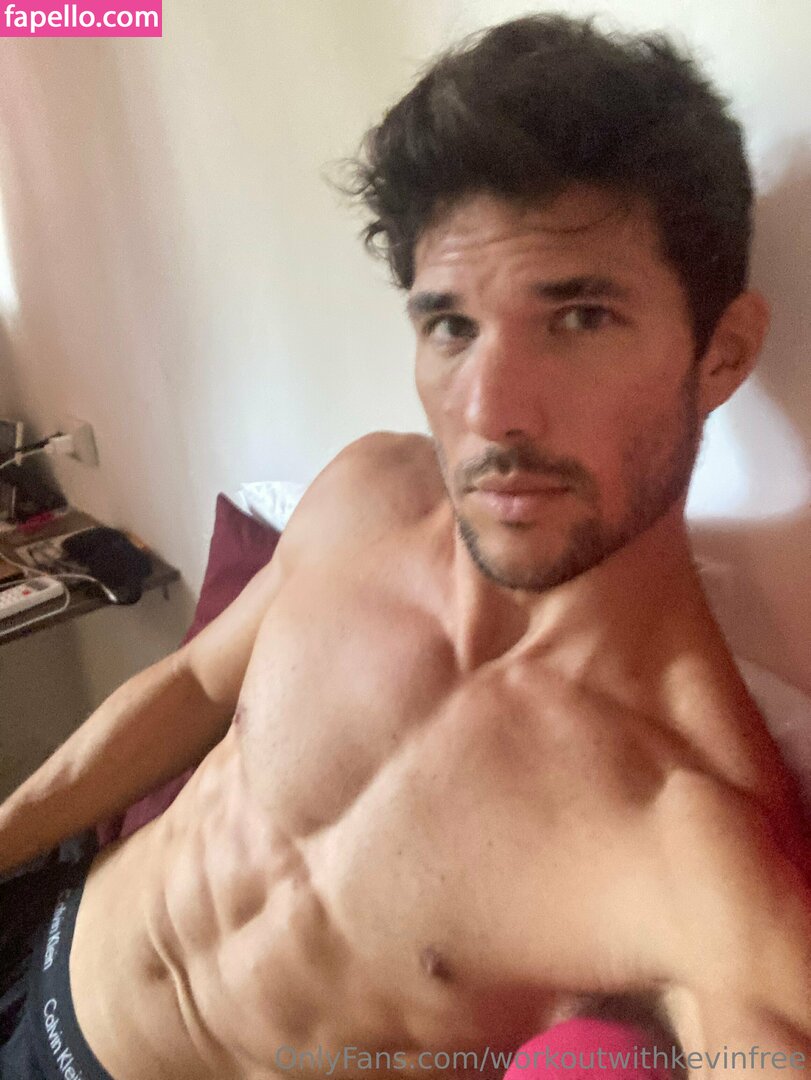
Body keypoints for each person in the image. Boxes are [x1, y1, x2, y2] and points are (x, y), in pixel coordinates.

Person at [1, 13, 809, 1080]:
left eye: (578, 317)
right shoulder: (367, 496)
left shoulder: (689, 834)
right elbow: (195, 684)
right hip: (49, 935)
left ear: (723, 354)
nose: (490, 410)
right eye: (451, 326)